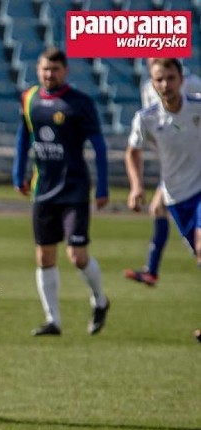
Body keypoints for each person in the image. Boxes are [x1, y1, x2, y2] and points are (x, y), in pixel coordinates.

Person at [12, 47, 110, 337]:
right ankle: (53, 320)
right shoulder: (29, 98)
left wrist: (103, 187)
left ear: (65, 71)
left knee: (77, 256)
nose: (49, 74)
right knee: (44, 256)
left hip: (75, 189)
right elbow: (23, 138)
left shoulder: (80, 103)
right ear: (38, 70)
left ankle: (101, 301)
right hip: (43, 189)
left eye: (54, 69)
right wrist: (19, 174)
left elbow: (100, 146)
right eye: (44, 69)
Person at [125, 58, 201, 341]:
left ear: (181, 79)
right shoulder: (146, 117)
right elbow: (133, 152)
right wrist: (136, 186)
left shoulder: (197, 105)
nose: (165, 85)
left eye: (170, 78)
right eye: (160, 80)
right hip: (176, 196)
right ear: (152, 83)